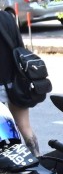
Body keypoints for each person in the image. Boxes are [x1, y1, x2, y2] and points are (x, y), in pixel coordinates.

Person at [0, 10, 40, 155]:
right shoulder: (7, 17)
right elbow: (19, 47)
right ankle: (37, 162)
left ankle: (8, 172)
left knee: (4, 133)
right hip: (15, 84)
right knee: (25, 127)